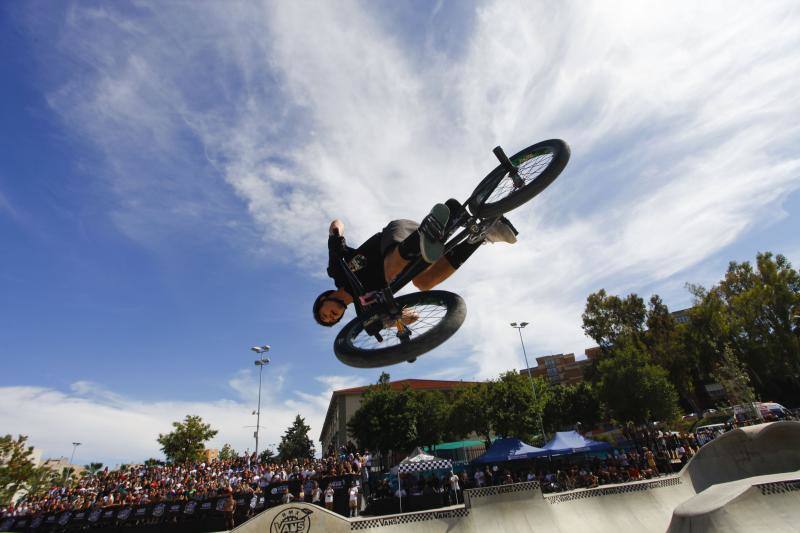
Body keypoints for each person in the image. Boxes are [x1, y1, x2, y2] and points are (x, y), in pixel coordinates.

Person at [313, 201, 518, 327]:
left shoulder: (337, 271)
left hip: (397, 234)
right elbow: (391, 320)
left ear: (324, 298)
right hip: (414, 259)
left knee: (390, 270)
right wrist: (402, 318)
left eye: (325, 314)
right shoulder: (366, 310)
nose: (331, 317)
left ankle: (427, 229)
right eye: (332, 320)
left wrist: (336, 233)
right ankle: (482, 236)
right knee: (423, 283)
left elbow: (336, 224)